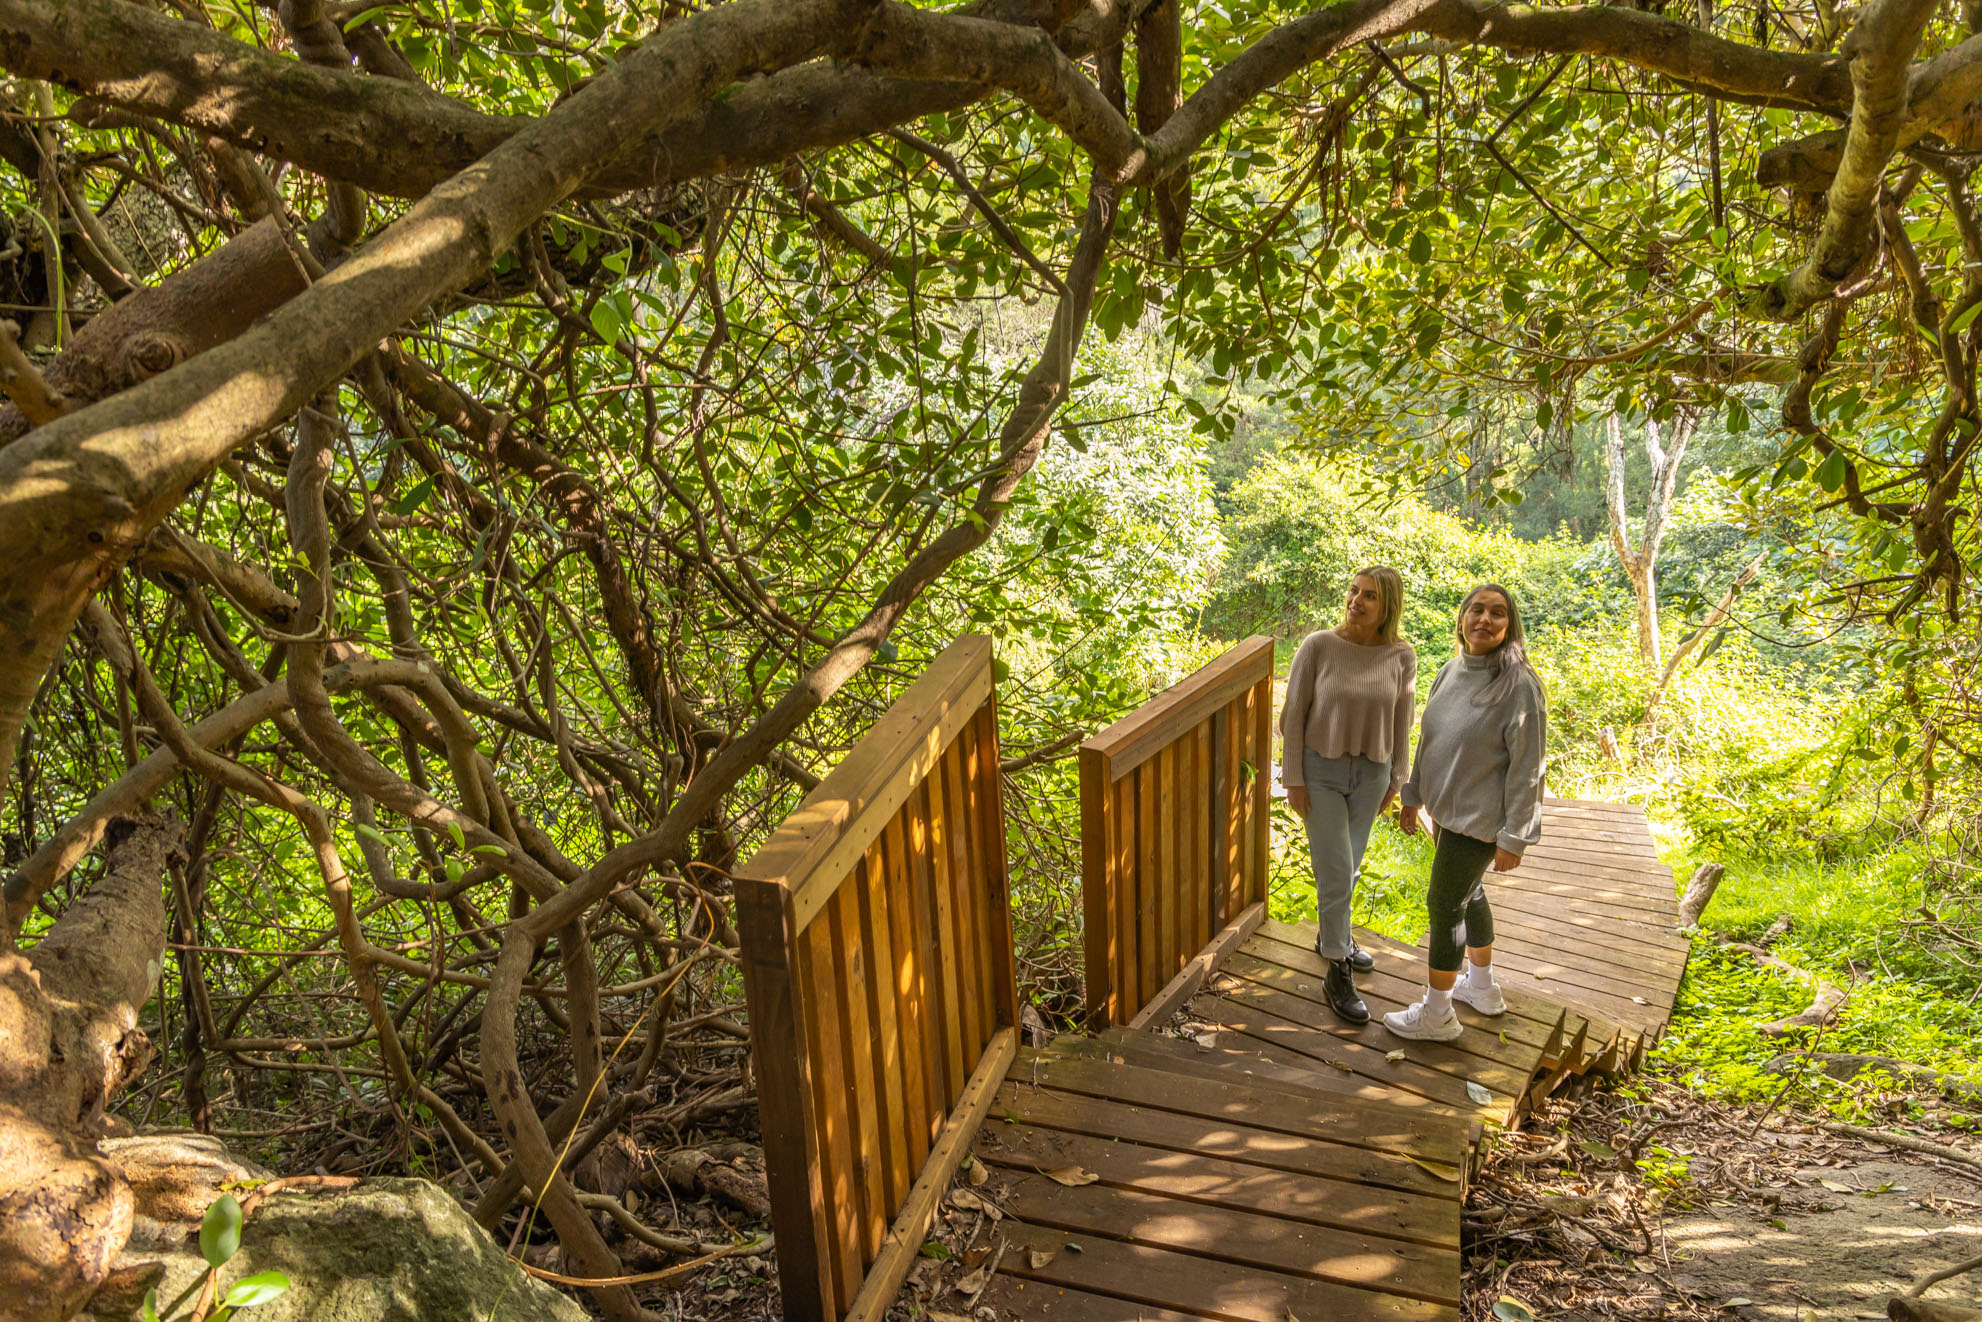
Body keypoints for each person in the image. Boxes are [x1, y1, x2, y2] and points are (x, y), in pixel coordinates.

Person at [1383, 583, 1547, 1042]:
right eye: (1477, 609)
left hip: (1478, 822)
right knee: (1469, 895)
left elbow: (1528, 768)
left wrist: (1515, 836)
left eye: (1498, 613)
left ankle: (1437, 1015)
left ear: (1509, 626)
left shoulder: (1519, 686)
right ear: (1462, 618)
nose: (1485, 619)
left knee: (1444, 904)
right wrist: (1413, 795)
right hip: (1446, 812)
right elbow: (1431, 741)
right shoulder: (1452, 670)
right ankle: (1481, 987)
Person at [1281, 566, 1415, 1025]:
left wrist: (1397, 780)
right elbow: (1293, 713)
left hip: (1372, 774)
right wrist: (1292, 776)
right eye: (1354, 591)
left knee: (1350, 865)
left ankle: (1330, 937)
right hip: (1320, 771)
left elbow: (1402, 722)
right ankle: (1337, 967)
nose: (1356, 601)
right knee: (1336, 869)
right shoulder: (1318, 645)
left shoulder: (1402, 656)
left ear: (1387, 607)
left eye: (1370, 596)